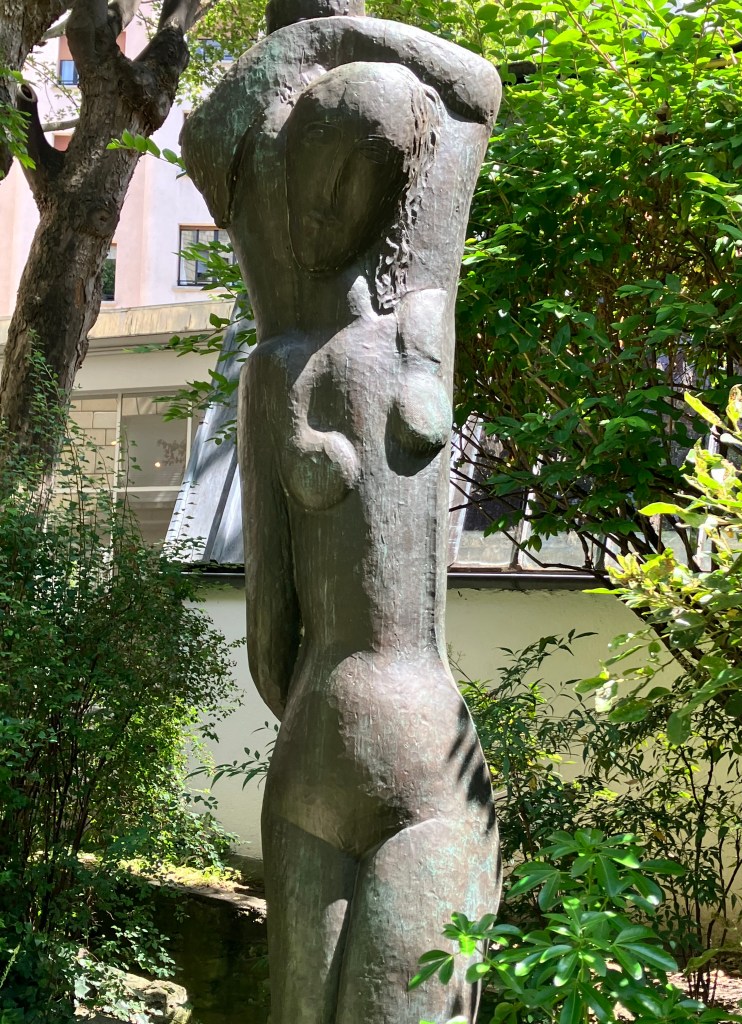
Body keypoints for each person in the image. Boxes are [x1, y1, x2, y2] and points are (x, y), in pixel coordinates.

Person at [182, 6, 502, 1022]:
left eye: (353, 172)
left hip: (399, 756)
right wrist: (307, 44)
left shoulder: (418, 317)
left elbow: (476, 93)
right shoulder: (284, 366)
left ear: (397, 181)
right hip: (338, 753)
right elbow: (205, 138)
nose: (326, 199)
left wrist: (335, 34)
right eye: (312, 168)